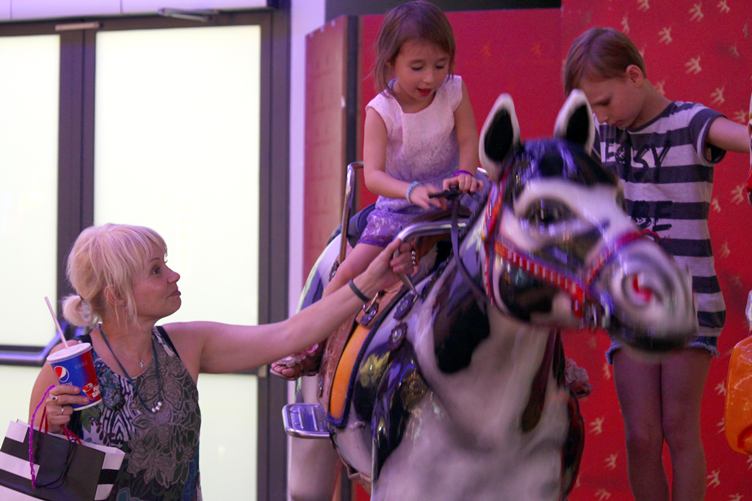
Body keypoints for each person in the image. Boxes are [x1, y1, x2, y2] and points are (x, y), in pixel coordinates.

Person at [28, 223, 413, 500]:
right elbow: (36, 475)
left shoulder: (186, 345)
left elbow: (290, 335)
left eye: (166, 263)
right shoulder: (67, 367)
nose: (174, 275)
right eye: (156, 270)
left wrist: (370, 281)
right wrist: (51, 425)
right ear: (116, 295)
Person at [564, 27, 750, 501]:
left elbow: (741, 137)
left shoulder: (690, 122)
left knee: (678, 427)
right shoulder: (601, 136)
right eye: (591, 109)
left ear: (634, 76)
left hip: (688, 301)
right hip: (630, 301)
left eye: (604, 102)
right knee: (641, 435)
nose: (601, 115)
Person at [272, 0, 484, 379]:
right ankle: (310, 345)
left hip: (455, 197)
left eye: (440, 65)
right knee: (346, 273)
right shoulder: (381, 109)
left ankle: (551, 360)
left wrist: (465, 173)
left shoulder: (455, 90)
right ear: (390, 63)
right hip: (402, 205)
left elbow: (469, 139)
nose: (430, 78)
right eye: (417, 67)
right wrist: (411, 191)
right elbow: (373, 176)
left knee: (513, 243)